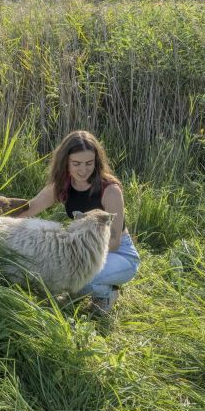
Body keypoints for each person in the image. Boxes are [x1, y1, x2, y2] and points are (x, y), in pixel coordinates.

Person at [17, 130, 139, 314]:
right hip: (86, 251)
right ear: (65, 161)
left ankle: (107, 293)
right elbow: (30, 209)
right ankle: (92, 287)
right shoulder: (60, 186)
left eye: (89, 163)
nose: (83, 170)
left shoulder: (110, 190)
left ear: (96, 162)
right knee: (64, 274)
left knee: (75, 280)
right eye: (76, 163)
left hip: (119, 254)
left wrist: (74, 261)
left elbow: (114, 242)